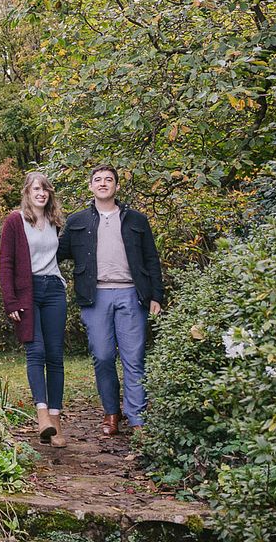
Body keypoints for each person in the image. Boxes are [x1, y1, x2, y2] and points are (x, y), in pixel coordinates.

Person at [57, 164, 163, 436]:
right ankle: (111, 413)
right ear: (90, 186)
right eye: (98, 180)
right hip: (95, 297)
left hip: (132, 294)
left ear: (116, 186)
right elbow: (55, 254)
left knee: (134, 358)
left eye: (109, 180)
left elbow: (152, 259)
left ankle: (137, 416)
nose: (103, 183)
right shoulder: (77, 221)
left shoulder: (136, 220)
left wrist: (155, 296)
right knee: (103, 357)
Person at [0, 172, 68, 447]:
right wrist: (11, 301)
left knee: (55, 356)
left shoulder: (54, 222)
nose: (41, 193)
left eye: (46, 189)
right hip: (28, 293)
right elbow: (6, 264)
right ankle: (42, 415)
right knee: (35, 350)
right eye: (36, 189)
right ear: (27, 192)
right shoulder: (15, 221)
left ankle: (56, 421)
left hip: (54, 291)